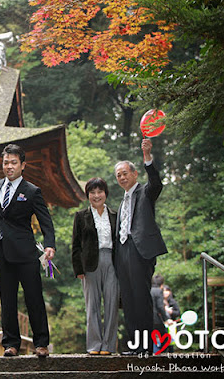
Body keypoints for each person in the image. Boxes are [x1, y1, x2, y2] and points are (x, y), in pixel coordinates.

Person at [0, 144, 55, 358]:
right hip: (1, 250)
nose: (9, 166)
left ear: (23, 165)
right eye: (6, 162)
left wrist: (49, 244)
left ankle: (41, 344)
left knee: (34, 298)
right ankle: (10, 344)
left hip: (26, 253)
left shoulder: (32, 191)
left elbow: (46, 222)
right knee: (7, 299)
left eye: (14, 162)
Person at [114, 138, 167, 355]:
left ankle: (146, 347)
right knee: (127, 299)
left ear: (134, 174)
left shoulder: (145, 192)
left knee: (141, 298)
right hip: (122, 252)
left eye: (125, 173)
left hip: (140, 251)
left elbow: (156, 183)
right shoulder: (122, 201)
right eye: (118, 175)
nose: (122, 177)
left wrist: (147, 157)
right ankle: (134, 345)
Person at [71, 177, 119, 355]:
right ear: (88, 195)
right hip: (89, 264)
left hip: (112, 262)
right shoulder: (81, 216)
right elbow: (75, 245)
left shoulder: (115, 215)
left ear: (105, 193)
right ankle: (94, 345)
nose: (96, 195)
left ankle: (108, 345)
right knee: (92, 306)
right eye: (92, 192)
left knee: (112, 304)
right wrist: (78, 270)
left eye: (100, 192)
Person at [151, 274, 169, 353]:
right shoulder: (158, 291)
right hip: (155, 318)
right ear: (162, 284)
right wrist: (166, 319)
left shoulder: (148, 289)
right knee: (164, 334)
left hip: (146, 317)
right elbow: (160, 306)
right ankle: (163, 353)